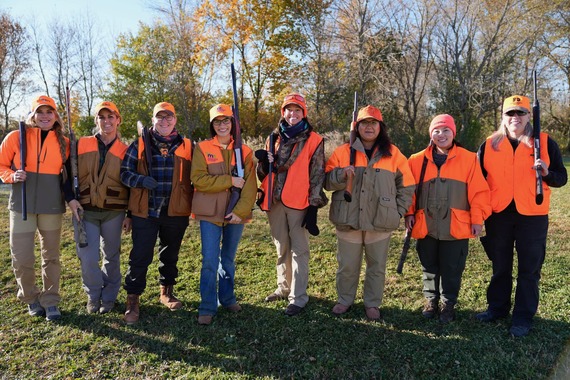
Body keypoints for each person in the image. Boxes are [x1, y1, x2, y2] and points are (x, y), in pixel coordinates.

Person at [476, 95, 567, 337]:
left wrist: (547, 173)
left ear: (530, 116)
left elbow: (561, 177)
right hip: (498, 215)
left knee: (529, 270)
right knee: (500, 266)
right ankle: (497, 309)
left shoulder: (546, 143)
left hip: (533, 215)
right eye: (510, 113)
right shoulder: (488, 145)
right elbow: (477, 183)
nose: (515, 117)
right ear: (502, 117)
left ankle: (523, 317)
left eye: (521, 113)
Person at [325, 105, 415, 321]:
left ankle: (372, 303)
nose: (369, 127)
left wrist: (397, 211)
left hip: (380, 221)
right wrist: (340, 174)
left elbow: (408, 186)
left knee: (377, 267)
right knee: (347, 266)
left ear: (380, 127)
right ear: (357, 127)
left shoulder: (394, 154)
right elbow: (326, 182)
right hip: (348, 218)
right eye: (364, 123)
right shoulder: (342, 152)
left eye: (373, 123)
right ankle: (344, 300)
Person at [404, 114, 491, 323]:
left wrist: (477, 219)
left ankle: (448, 303)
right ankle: (431, 300)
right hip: (425, 224)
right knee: (428, 264)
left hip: (457, 226)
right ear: (430, 134)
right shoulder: (416, 160)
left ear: (453, 133)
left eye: (445, 130)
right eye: (436, 130)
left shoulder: (470, 159)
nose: (440, 134)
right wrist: (408, 213)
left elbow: (480, 192)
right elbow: (408, 191)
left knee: (452, 267)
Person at [120, 102, 193, 324]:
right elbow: (124, 173)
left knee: (170, 255)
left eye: (168, 116)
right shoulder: (140, 144)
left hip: (176, 210)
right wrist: (141, 180)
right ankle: (132, 300)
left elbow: (198, 175)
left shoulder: (188, 146)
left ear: (175, 119)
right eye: (159, 117)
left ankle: (166, 292)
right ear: (153, 120)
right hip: (145, 210)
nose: (164, 121)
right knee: (140, 256)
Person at [256, 93, 328, 317]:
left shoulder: (314, 140)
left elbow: (317, 175)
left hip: (299, 203)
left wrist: (313, 207)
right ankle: (282, 288)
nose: (293, 114)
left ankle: (298, 297)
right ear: (283, 112)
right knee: (281, 247)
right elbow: (264, 174)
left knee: (299, 251)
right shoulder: (273, 137)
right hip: (274, 201)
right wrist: (261, 162)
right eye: (289, 109)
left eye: (297, 110)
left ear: (303, 113)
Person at [0, 95, 69, 321]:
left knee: (51, 257)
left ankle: (50, 301)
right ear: (32, 115)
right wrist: (12, 175)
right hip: (22, 206)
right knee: (22, 258)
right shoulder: (16, 137)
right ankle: (30, 298)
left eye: (49, 112)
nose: (45, 116)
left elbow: (69, 175)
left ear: (56, 115)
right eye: (40, 112)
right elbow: (1, 165)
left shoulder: (65, 143)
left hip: (51, 207)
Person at [191, 104, 257, 325]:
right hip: (210, 213)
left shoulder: (244, 151)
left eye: (226, 121)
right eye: (217, 121)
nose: (222, 125)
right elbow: (198, 179)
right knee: (210, 260)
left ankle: (227, 298)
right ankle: (207, 306)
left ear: (233, 124)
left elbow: (249, 185)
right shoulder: (202, 148)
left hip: (235, 214)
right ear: (212, 125)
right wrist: (229, 180)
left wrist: (240, 212)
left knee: (228, 260)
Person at [65, 101, 131, 314]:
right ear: (96, 120)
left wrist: (130, 214)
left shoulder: (126, 150)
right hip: (85, 211)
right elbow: (65, 173)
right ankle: (94, 294)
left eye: (111, 117)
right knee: (88, 256)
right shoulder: (80, 144)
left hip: (114, 211)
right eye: (102, 117)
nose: (106, 121)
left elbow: (131, 185)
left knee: (112, 256)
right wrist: (70, 198)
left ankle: (109, 297)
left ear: (118, 120)